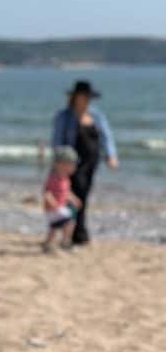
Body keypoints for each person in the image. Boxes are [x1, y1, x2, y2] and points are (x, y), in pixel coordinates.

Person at [51, 80, 119, 246]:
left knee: (83, 195)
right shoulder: (64, 116)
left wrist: (111, 155)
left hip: (92, 162)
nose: (87, 100)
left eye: (89, 97)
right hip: (72, 163)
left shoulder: (96, 115)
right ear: (75, 97)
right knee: (76, 195)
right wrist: (60, 163)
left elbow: (106, 136)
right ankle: (76, 233)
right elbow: (57, 141)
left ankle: (76, 231)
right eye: (84, 96)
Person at [41, 146, 84, 253]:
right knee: (69, 221)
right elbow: (47, 192)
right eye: (71, 165)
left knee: (55, 227)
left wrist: (74, 199)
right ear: (60, 165)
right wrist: (52, 202)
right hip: (53, 208)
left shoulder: (65, 179)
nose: (74, 168)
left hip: (60, 207)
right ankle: (65, 242)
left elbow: (66, 192)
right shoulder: (54, 178)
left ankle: (50, 244)